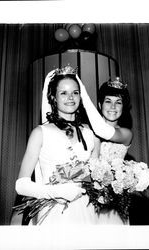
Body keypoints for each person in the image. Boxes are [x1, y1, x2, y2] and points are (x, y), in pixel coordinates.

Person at [15, 66, 98, 225]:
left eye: (75, 92)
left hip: (86, 212)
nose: (71, 98)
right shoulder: (41, 133)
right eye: (63, 93)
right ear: (53, 97)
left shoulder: (89, 133)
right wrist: (57, 192)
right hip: (54, 213)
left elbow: (95, 177)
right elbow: (21, 185)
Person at [77, 75, 133, 224]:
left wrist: (83, 92)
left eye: (118, 102)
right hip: (86, 199)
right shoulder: (85, 130)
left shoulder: (126, 134)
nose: (113, 107)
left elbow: (102, 131)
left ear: (123, 107)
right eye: (108, 101)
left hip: (115, 204)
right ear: (100, 105)